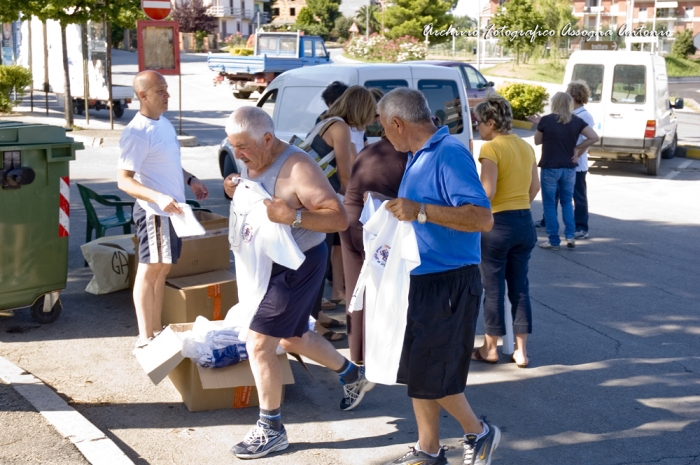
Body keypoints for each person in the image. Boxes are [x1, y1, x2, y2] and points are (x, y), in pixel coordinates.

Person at [223, 107, 375, 459]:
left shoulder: (299, 168)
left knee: (259, 343)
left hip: (298, 263)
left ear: (267, 138)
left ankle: (271, 429)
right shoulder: (252, 155)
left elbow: (338, 218)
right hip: (265, 261)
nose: (239, 155)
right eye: (233, 148)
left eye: (243, 147)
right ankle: (353, 375)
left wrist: (293, 216)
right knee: (292, 337)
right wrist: (234, 186)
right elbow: (253, 192)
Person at [375, 88, 500, 465]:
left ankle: (479, 432)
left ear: (398, 123)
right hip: (420, 277)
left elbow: (482, 218)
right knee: (418, 372)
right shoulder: (419, 154)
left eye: (384, 127)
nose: (384, 136)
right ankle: (429, 449)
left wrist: (421, 212)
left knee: (433, 372)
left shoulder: (448, 154)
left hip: (448, 281)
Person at [117, 70, 209, 349]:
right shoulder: (137, 132)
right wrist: (157, 197)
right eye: (160, 91)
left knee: (162, 269)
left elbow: (168, 165)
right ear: (143, 96)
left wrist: (190, 180)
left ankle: (156, 329)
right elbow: (124, 180)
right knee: (150, 270)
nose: (167, 95)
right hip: (154, 213)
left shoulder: (164, 125)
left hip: (172, 212)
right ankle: (145, 336)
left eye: (167, 90)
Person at [340, 88, 409, 363]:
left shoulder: (369, 151)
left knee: (356, 289)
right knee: (386, 288)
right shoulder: (406, 155)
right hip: (377, 227)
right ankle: (386, 351)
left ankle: (358, 354)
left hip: (350, 222)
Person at [471, 95, 539, 369]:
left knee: (494, 287)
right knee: (520, 287)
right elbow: (534, 188)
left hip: (497, 225)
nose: (477, 128)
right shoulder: (525, 147)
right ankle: (521, 351)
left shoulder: (491, 149)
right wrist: (519, 207)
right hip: (524, 221)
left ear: (491, 122)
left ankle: (490, 347)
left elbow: (488, 192)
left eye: (479, 123)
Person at [310, 85, 377, 341]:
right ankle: (312, 326)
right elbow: (346, 175)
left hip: (313, 199)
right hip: (316, 203)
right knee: (317, 260)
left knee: (320, 258)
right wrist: (361, 205)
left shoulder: (328, 122)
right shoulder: (340, 128)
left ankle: (316, 316)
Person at [529, 92, 599, 250]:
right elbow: (594, 137)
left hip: (550, 167)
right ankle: (570, 236)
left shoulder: (546, 120)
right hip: (569, 167)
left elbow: (537, 141)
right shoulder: (576, 121)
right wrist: (577, 148)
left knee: (549, 203)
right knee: (567, 202)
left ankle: (553, 240)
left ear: (554, 103)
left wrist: (540, 126)